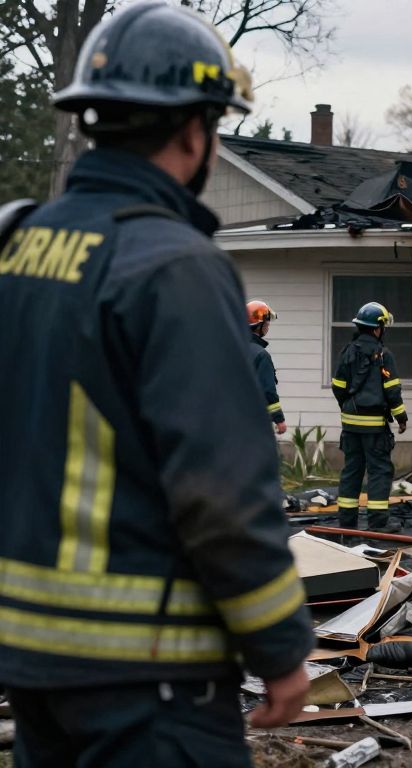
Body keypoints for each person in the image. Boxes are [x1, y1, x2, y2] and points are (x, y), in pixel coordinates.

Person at [0, 5, 314, 767]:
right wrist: (278, 648)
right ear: (193, 130)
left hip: (30, 663)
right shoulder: (174, 266)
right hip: (149, 679)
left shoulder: (18, 248)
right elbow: (221, 489)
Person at [332, 301, 408, 533]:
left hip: (351, 426)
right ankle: (377, 524)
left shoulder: (347, 352)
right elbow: (392, 390)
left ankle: (347, 524)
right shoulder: (384, 356)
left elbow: (338, 386)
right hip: (375, 427)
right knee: (379, 472)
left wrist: (347, 408)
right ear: (378, 328)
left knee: (352, 471)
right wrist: (401, 417)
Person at [247, 299, 288, 435]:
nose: (268, 325)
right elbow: (268, 391)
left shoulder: (232, 349)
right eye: (267, 321)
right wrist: (279, 419)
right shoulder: (261, 355)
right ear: (259, 324)